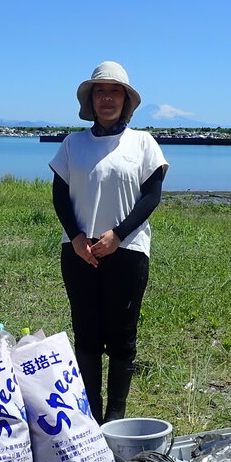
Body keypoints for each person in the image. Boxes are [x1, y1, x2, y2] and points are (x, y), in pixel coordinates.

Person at [48, 61, 168, 423]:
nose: (106, 98)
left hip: (127, 253)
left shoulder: (143, 143)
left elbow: (152, 195)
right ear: (91, 100)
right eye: (100, 91)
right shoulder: (73, 144)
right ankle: (90, 416)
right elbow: (59, 195)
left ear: (126, 100)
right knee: (85, 335)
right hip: (80, 253)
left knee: (121, 337)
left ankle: (115, 417)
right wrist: (77, 238)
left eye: (114, 91)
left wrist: (118, 235)